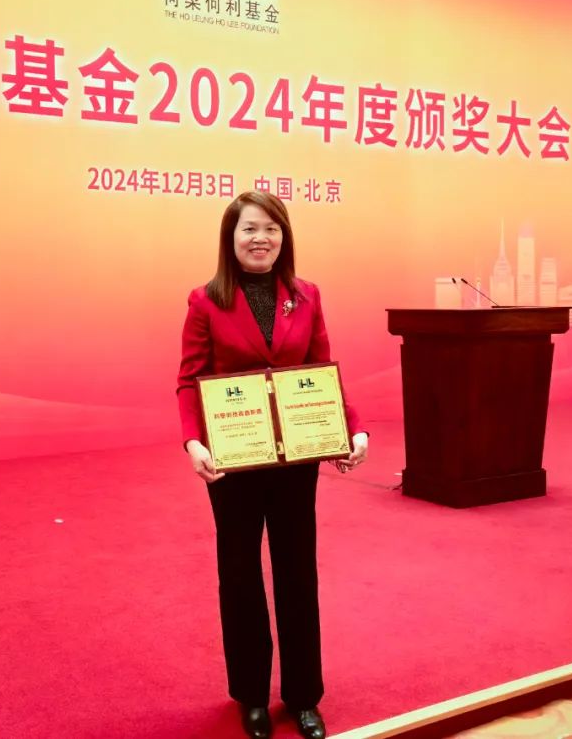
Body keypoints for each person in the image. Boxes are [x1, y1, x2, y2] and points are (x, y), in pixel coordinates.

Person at [176, 191, 368, 739]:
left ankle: (304, 696)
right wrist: (193, 442)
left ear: (284, 237)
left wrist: (351, 428)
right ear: (231, 238)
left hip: (294, 460)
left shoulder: (306, 296)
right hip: (233, 463)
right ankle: (252, 696)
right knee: (239, 575)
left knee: (297, 572)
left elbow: (321, 368)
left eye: (271, 229)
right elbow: (189, 380)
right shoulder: (205, 300)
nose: (260, 238)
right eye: (249, 229)